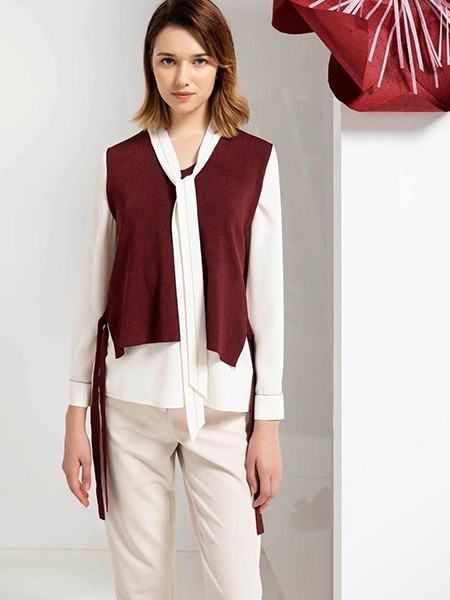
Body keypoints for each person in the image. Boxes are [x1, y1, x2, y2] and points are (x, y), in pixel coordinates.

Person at [62, 0, 284, 598]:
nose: (182, 77)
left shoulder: (254, 162)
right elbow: (91, 298)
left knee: (237, 585)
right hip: (131, 406)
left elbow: (267, 302)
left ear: (220, 66)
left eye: (198, 60)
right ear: (150, 66)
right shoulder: (119, 164)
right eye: (168, 60)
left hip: (224, 408)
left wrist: (267, 425)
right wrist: (76, 418)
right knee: (140, 587)